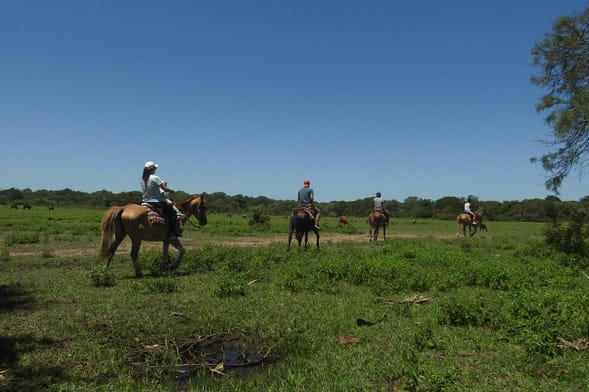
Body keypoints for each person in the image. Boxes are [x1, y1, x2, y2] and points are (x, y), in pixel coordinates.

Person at [141, 161, 182, 239]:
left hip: (145, 201)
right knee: (173, 213)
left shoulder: (143, 178)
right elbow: (164, 188)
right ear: (152, 169)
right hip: (156, 201)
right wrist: (171, 190)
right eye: (155, 168)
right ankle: (171, 233)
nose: (155, 170)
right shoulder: (155, 177)